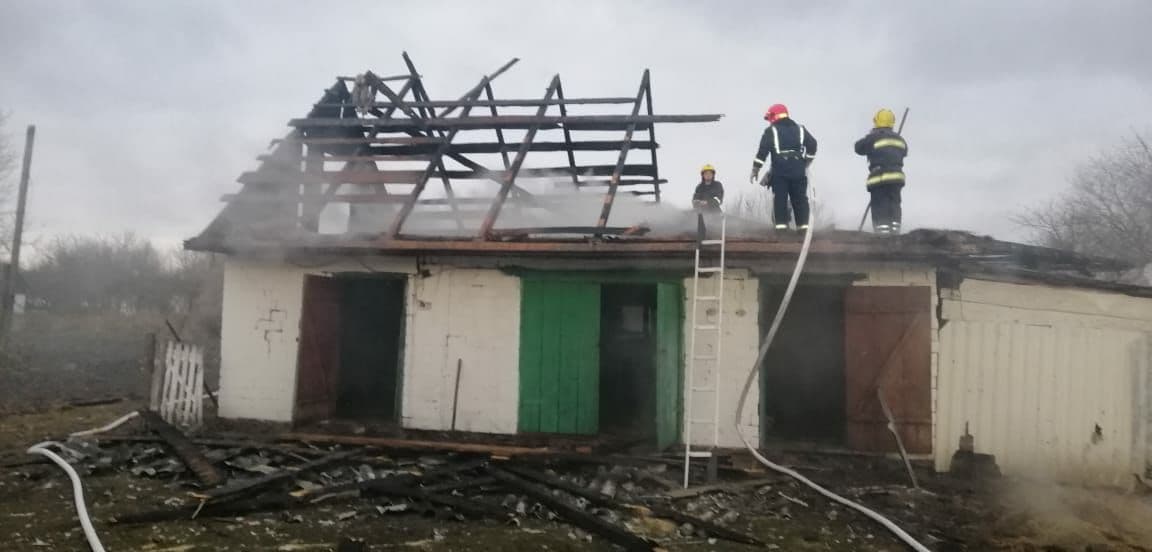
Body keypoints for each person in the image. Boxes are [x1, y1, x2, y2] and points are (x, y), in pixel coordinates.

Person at [750, 104, 817, 232]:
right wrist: (806, 161)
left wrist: (756, 169)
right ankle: (804, 230)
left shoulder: (771, 131)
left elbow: (762, 152)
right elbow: (813, 144)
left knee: (780, 199)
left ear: (774, 116)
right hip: (798, 171)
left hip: (780, 171)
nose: (769, 121)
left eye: (769, 118)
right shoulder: (801, 129)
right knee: (800, 200)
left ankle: (782, 230)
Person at [854, 108, 908, 234]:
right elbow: (904, 152)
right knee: (894, 203)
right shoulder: (900, 140)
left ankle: (882, 234)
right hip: (897, 178)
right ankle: (895, 232)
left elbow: (858, 148)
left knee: (879, 204)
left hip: (879, 176)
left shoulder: (873, 138)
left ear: (876, 122)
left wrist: (871, 137)